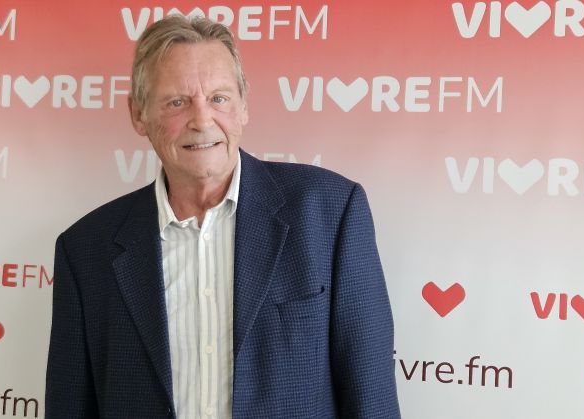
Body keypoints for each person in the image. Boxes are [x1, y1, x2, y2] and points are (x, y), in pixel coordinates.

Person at [45, 15, 399, 418]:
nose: (201, 120)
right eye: (177, 102)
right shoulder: (85, 251)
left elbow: (372, 398)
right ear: (138, 114)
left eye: (218, 98)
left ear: (244, 106)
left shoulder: (330, 214)